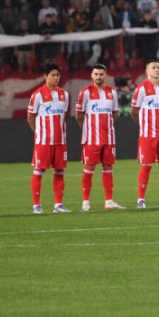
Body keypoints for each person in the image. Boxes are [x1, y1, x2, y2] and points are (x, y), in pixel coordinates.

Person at [75, 63, 124, 212]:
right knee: (89, 168)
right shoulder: (85, 93)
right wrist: (89, 129)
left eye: (101, 74)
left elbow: (114, 113)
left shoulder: (112, 92)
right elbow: (79, 116)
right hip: (91, 139)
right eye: (96, 74)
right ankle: (85, 202)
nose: (98, 77)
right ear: (91, 75)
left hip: (108, 138)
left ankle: (109, 201)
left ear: (106, 75)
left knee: (108, 168)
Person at [130, 59, 159, 208]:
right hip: (147, 134)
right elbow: (134, 111)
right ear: (147, 71)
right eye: (153, 68)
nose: (157, 70)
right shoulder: (141, 89)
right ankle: (141, 200)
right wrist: (143, 125)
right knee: (146, 165)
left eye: (158, 67)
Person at [27, 62, 70, 213]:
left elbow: (63, 116)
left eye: (58, 75)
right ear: (45, 76)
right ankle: (36, 206)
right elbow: (30, 117)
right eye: (53, 75)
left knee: (59, 172)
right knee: (39, 172)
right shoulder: (37, 95)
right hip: (43, 141)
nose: (56, 78)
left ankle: (58, 205)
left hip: (60, 141)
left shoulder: (64, 95)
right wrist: (38, 133)